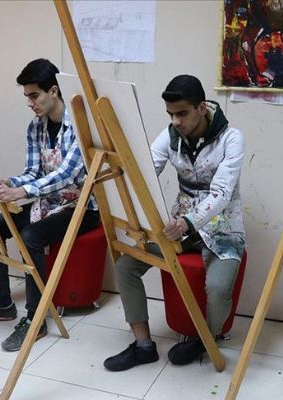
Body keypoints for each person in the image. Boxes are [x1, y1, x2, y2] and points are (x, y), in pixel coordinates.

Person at [103, 74, 246, 371]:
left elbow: (221, 194)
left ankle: (206, 339)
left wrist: (187, 222)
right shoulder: (170, 136)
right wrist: (118, 190)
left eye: (182, 113)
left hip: (222, 228)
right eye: (171, 114)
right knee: (126, 266)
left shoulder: (231, 138)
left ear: (201, 108)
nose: (176, 121)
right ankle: (143, 346)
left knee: (218, 287)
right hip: (180, 227)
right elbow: (145, 172)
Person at [0, 58, 99, 352]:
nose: (29, 102)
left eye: (34, 95)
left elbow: (67, 175)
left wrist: (22, 191)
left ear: (54, 91)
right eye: (26, 96)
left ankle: (36, 319)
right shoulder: (36, 127)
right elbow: (34, 172)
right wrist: (11, 182)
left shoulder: (79, 125)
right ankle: (2, 303)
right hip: (48, 201)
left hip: (83, 206)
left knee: (31, 237)